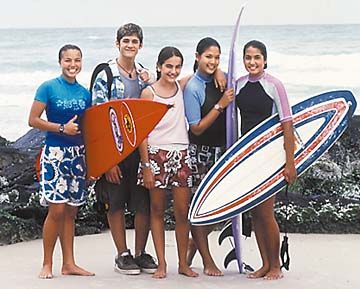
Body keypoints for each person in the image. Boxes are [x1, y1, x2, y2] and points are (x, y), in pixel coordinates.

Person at [91, 23, 157, 275]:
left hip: (139, 149)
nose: (130, 45)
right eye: (126, 41)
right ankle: (122, 254)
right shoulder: (105, 73)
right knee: (115, 203)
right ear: (117, 43)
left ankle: (140, 253)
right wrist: (107, 162)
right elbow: (97, 119)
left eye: (134, 41)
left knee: (143, 203)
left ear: (141, 45)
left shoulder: (144, 75)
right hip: (114, 151)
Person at [28, 44, 94, 279]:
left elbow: (89, 129)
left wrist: (93, 164)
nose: (73, 65)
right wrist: (61, 128)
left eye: (77, 60)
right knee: (56, 211)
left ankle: (69, 263)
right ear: (60, 62)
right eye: (68, 60)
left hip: (78, 156)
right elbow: (33, 120)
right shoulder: (48, 87)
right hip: (55, 154)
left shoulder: (85, 93)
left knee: (71, 212)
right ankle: (47, 263)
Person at [235, 40, 297, 280]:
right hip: (248, 156)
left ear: (265, 60)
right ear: (243, 60)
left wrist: (290, 162)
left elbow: (287, 123)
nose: (252, 62)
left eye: (257, 57)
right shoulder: (238, 85)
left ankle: (275, 266)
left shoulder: (274, 85)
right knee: (255, 213)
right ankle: (263, 264)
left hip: (269, 156)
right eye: (248, 58)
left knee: (266, 211)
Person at [137, 46, 199, 279]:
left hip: (181, 154)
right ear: (159, 66)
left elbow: (203, 71)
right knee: (157, 210)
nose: (172, 71)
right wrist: (146, 166)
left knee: (182, 212)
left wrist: (221, 74)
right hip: (156, 155)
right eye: (168, 66)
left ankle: (183, 263)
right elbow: (141, 133)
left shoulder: (181, 87)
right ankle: (162, 263)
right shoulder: (148, 93)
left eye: (177, 67)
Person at [183, 37, 234, 276]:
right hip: (200, 155)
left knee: (219, 206)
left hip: (221, 152)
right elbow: (196, 128)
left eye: (216, 57)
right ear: (197, 57)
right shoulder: (193, 88)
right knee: (200, 208)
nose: (212, 61)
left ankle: (196, 245)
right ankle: (207, 261)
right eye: (208, 56)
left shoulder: (219, 80)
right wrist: (221, 105)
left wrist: (219, 72)